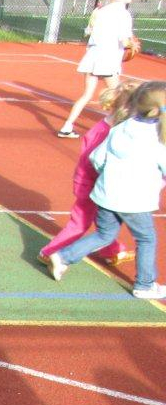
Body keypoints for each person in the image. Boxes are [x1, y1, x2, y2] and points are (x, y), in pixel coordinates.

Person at [48, 80, 166, 300]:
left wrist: (111, 175)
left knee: (104, 234)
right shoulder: (158, 139)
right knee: (146, 239)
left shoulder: (120, 128)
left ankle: (63, 256)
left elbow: (97, 158)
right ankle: (145, 285)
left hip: (105, 194)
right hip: (136, 200)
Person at [38, 80, 139, 269]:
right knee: (80, 222)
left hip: (89, 181)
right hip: (91, 184)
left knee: (104, 220)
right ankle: (49, 252)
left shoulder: (105, 126)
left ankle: (113, 251)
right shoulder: (109, 133)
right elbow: (94, 162)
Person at [58, 0, 134, 139]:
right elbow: (124, 40)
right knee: (121, 96)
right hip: (108, 58)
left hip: (93, 55)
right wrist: (132, 45)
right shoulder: (123, 14)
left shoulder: (101, 11)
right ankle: (118, 130)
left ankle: (67, 126)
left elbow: (92, 33)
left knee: (86, 95)